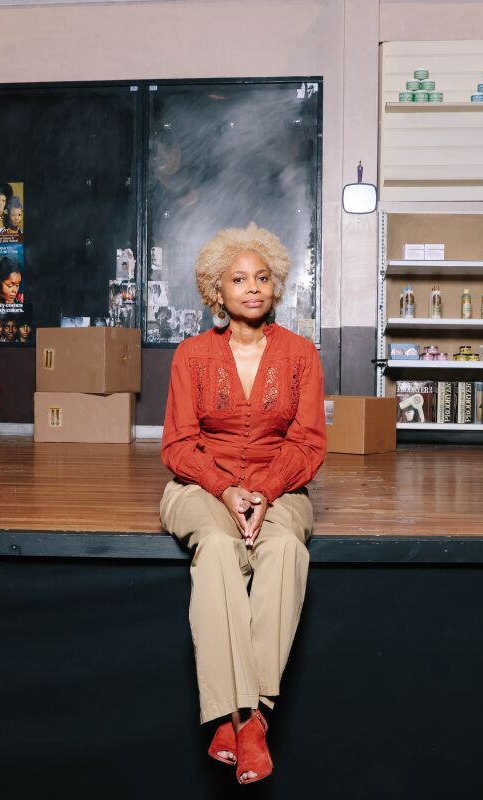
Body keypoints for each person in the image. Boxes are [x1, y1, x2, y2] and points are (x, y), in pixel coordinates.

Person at [159, 223, 326, 786]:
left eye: (262, 278)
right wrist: (227, 491)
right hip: (201, 485)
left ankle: (247, 720)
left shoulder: (301, 353)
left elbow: (308, 443)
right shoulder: (193, 354)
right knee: (217, 550)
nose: (252, 287)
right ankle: (242, 714)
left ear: (274, 286)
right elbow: (178, 444)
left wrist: (266, 492)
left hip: (279, 484)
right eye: (238, 279)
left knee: (284, 550)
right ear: (217, 292)